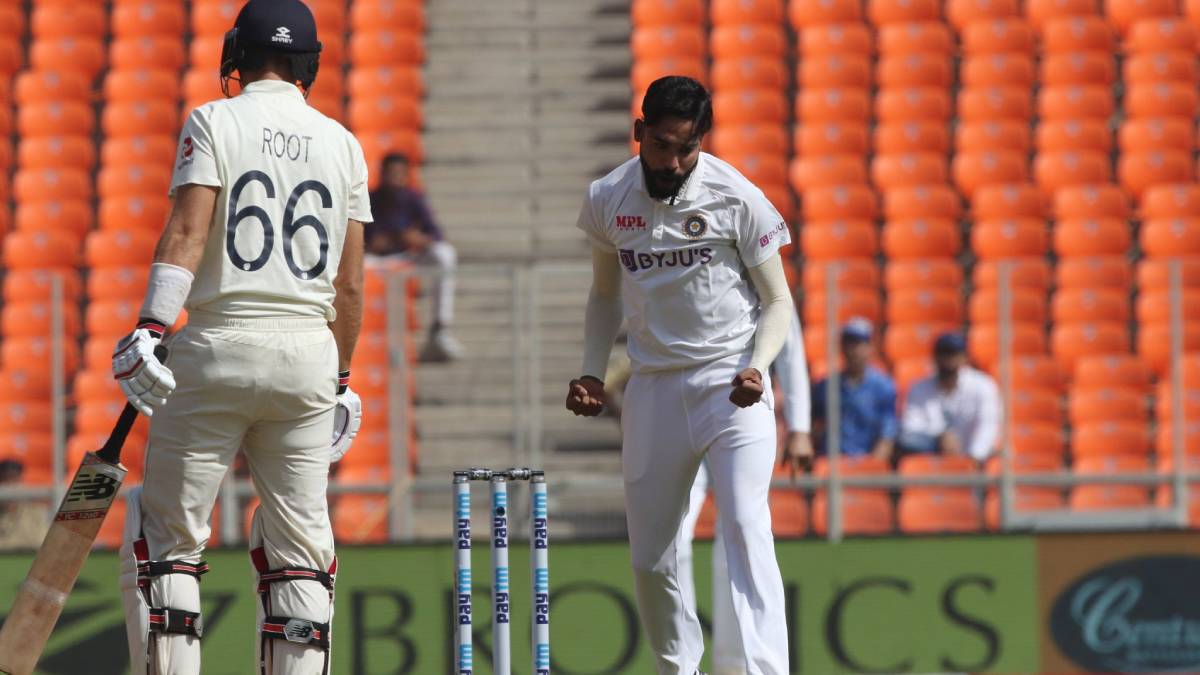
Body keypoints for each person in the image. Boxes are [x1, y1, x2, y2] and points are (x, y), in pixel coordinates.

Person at [110, 1, 369, 672]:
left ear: (236, 56)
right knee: (301, 555)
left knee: (166, 540)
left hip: (219, 345)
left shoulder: (213, 120)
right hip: (309, 358)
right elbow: (349, 286)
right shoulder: (344, 144)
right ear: (308, 62)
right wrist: (340, 378)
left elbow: (189, 232)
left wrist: (150, 324)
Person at [565, 75, 795, 675]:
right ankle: (678, 669)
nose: (674, 162)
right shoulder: (608, 198)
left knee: (746, 525)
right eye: (663, 146)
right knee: (650, 558)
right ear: (639, 134)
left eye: (687, 148)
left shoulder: (736, 196)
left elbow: (778, 303)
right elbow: (603, 294)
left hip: (731, 385)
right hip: (655, 387)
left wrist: (757, 366)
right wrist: (592, 371)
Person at [678, 307, 812, 675]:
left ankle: (740, 665)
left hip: (742, 425)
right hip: (684, 418)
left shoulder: (761, 265)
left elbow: (791, 350)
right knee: (673, 539)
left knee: (739, 533)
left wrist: (800, 428)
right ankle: (683, 663)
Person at [366, 153, 463, 362]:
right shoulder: (371, 198)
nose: (394, 179)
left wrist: (418, 239)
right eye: (391, 174)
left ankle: (440, 327)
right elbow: (361, 239)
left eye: (399, 174)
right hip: (378, 259)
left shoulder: (413, 197)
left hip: (409, 255)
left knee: (445, 254)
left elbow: (435, 235)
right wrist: (375, 243)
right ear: (382, 174)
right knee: (354, 267)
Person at [899, 332, 1002, 461]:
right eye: (943, 354)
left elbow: (988, 426)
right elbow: (910, 428)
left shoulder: (983, 386)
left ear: (964, 357)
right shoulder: (919, 388)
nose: (948, 360)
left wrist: (973, 459)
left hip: (973, 459)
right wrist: (939, 437)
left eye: (954, 354)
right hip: (934, 456)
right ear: (935, 357)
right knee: (906, 440)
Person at [811, 318, 898, 461]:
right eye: (848, 343)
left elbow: (887, 435)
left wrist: (871, 468)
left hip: (866, 462)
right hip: (831, 463)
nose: (852, 350)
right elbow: (813, 425)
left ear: (870, 347)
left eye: (858, 344)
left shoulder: (883, 386)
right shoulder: (826, 386)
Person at [0, 460, 48, 551]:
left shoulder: (35, 511)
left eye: (15, 480)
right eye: (6, 480)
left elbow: (40, 542)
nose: (12, 486)